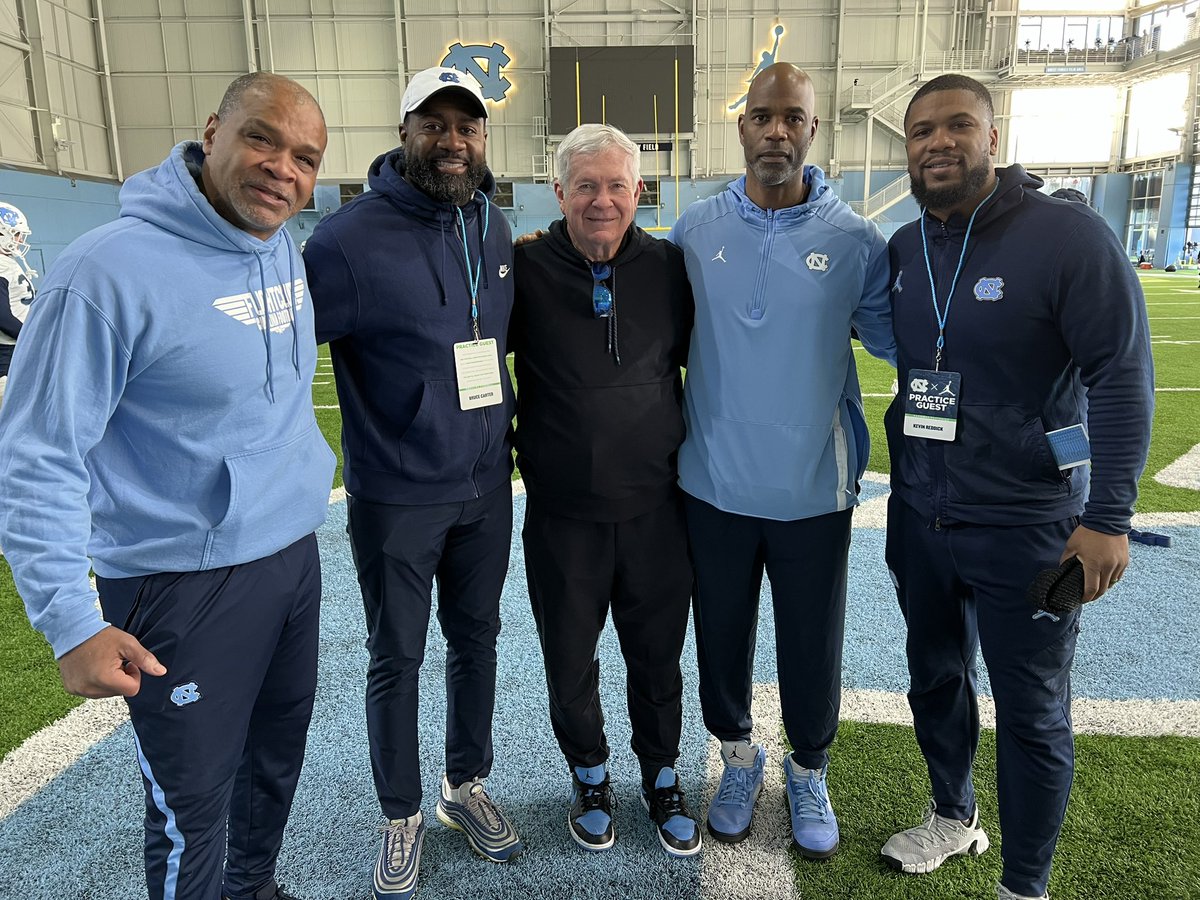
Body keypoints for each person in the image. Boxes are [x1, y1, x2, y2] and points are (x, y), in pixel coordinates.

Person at [0, 72, 334, 900]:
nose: (281, 169)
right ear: (213, 131)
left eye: (304, 157)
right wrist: (69, 623)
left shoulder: (278, 241)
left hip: (288, 556)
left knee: (274, 763)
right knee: (192, 804)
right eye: (262, 138)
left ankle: (254, 890)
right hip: (176, 582)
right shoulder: (104, 272)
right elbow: (36, 453)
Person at [881, 74, 1153, 900]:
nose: (938, 142)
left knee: (1032, 707)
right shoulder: (904, 247)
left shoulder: (1067, 237)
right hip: (921, 517)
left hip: (1034, 525)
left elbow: (1122, 376)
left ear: (992, 136)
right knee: (935, 676)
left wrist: (1108, 519)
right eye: (922, 130)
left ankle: (1024, 885)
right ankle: (952, 817)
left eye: (958, 125)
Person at [302, 66, 521, 900]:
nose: (454, 141)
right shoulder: (345, 240)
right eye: (435, 124)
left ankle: (464, 785)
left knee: (478, 641)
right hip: (397, 493)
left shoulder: (493, 227)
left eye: (468, 126)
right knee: (396, 654)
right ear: (405, 133)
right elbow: (284, 366)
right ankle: (401, 813)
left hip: (486, 489)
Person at [668, 63, 895, 858]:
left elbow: (904, 341)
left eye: (791, 117)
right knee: (721, 637)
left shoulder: (857, 240)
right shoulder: (694, 231)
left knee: (810, 640)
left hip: (813, 486)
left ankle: (807, 769)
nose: (775, 131)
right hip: (715, 484)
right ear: (740, 128)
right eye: (761, 117)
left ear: (812, 129)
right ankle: (737, 757)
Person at [509, 124, 698, 857]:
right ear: (558, 192)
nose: (602, 200)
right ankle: (590, 775)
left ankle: (661, 776)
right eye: (585, 185)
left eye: (617, 185)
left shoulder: (670, 270)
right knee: (569, 659)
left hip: (657, 511)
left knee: (657, 658)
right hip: (563, 518)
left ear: (639, 191)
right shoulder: (524, 271)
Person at [0, 201, 36, 405]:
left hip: (16, 351)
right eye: (15, 234)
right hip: (7, 355)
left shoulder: (7, 263)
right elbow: (2, 316)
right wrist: (32, 335)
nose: (20, 240)